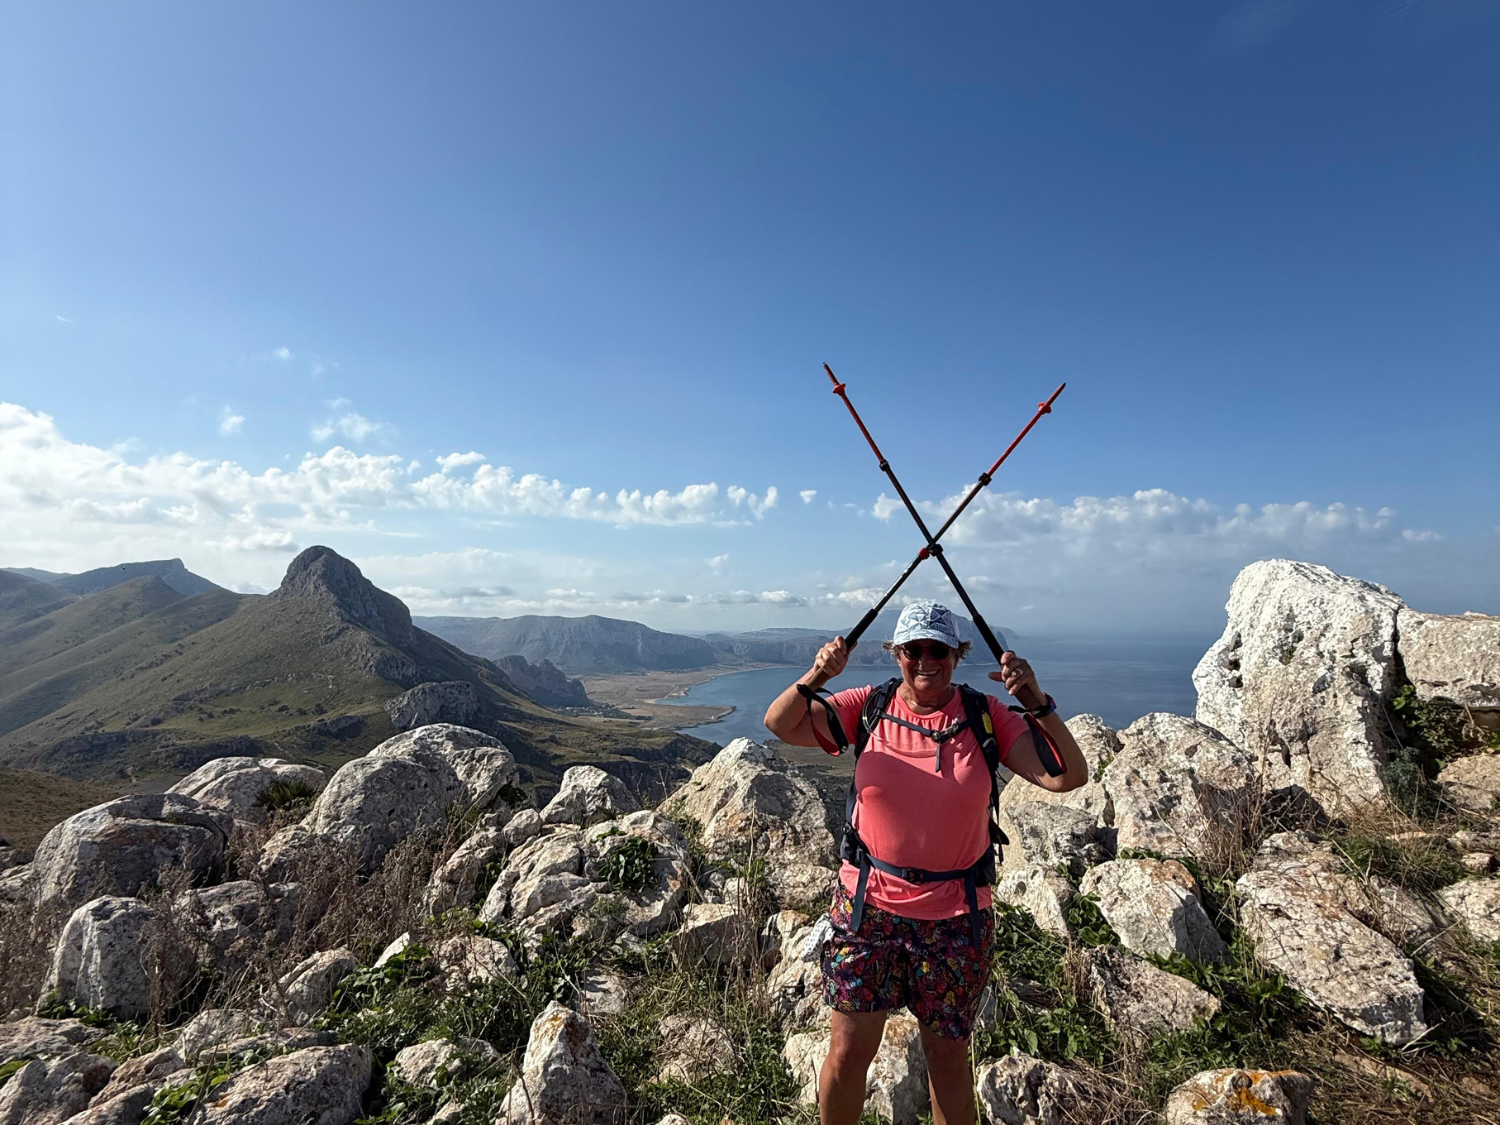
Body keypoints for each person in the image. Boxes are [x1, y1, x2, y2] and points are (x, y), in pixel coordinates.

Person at [764, 600, 1088, 1125]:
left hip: (955, 918)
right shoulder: (868, 704)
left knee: (947, 1064)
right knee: (848, 1056)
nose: (924, 661)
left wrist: (1036, 700)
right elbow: (780, 723)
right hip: (868, 908)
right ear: (896, 654)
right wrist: (820, 672)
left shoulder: (987, 717)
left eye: (937, 650)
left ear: (956, 655)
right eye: (912, 649)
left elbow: (1067, 775)